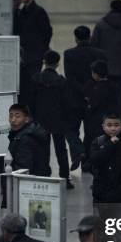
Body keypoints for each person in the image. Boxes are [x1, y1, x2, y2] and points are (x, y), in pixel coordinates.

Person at [63, 26, 107, 171]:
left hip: (75, 99)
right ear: (89, 37)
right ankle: (88, 163)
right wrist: (89, 91)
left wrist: (82, 90)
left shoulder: (69, 54)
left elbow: (70, 77)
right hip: (95, 99)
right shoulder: (100, 53)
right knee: (90, 132)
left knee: (71, 129)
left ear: (75, 38)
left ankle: (78, 151)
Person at [28, 50, 74, 189]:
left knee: (43, 149)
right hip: (58, 121)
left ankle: (44, 176)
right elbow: (67, 102)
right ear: (57, 63)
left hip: (40, 120)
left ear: (44, 62)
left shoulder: (36, 79)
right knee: (61, 150)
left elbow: (31, 100)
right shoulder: (61, 81)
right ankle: (65, 177)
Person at [14, 0, 53, 106]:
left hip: (34, 56)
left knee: (32, 84)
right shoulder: (20, 12)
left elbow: (47, 32)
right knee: (23, 85)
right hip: (22, 56)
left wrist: (42, 50)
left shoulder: (39, 12)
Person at [82, 60, 119, 172]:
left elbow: (91, 104)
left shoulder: (95, 88)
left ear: (96, 74)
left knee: (92, 143)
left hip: (95, 123)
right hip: (108, 120)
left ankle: (89, 165)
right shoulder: (113, 86)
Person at [7, 104, 50, 177]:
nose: (13, 120)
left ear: (26, 119)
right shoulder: (32, 131)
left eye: (17, 116)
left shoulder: (24, 139)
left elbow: (22, 169)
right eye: (11, 116)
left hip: (28, 182)